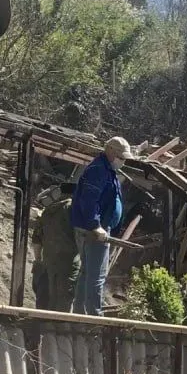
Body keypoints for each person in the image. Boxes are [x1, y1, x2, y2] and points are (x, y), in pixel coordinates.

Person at [71, 136, 130, 317]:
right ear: (110, 152)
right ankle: (94, 316)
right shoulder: (98, 170)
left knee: (87, 272)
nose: (123, 161)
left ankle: (80, 312)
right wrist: (96, 225)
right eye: (121, 157)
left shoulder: (107, 170)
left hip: (99, 228)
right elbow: (89, 200)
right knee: (97, 276)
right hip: (95, 230)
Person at [32, 180, 79, 312]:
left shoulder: (48, 211)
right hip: (68, 263)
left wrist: (38, 261)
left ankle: (44, 323)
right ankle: (59, 324)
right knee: (64, 299)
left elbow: (36, 240)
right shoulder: (74, 209)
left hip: (48, 263)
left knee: (47, 298)